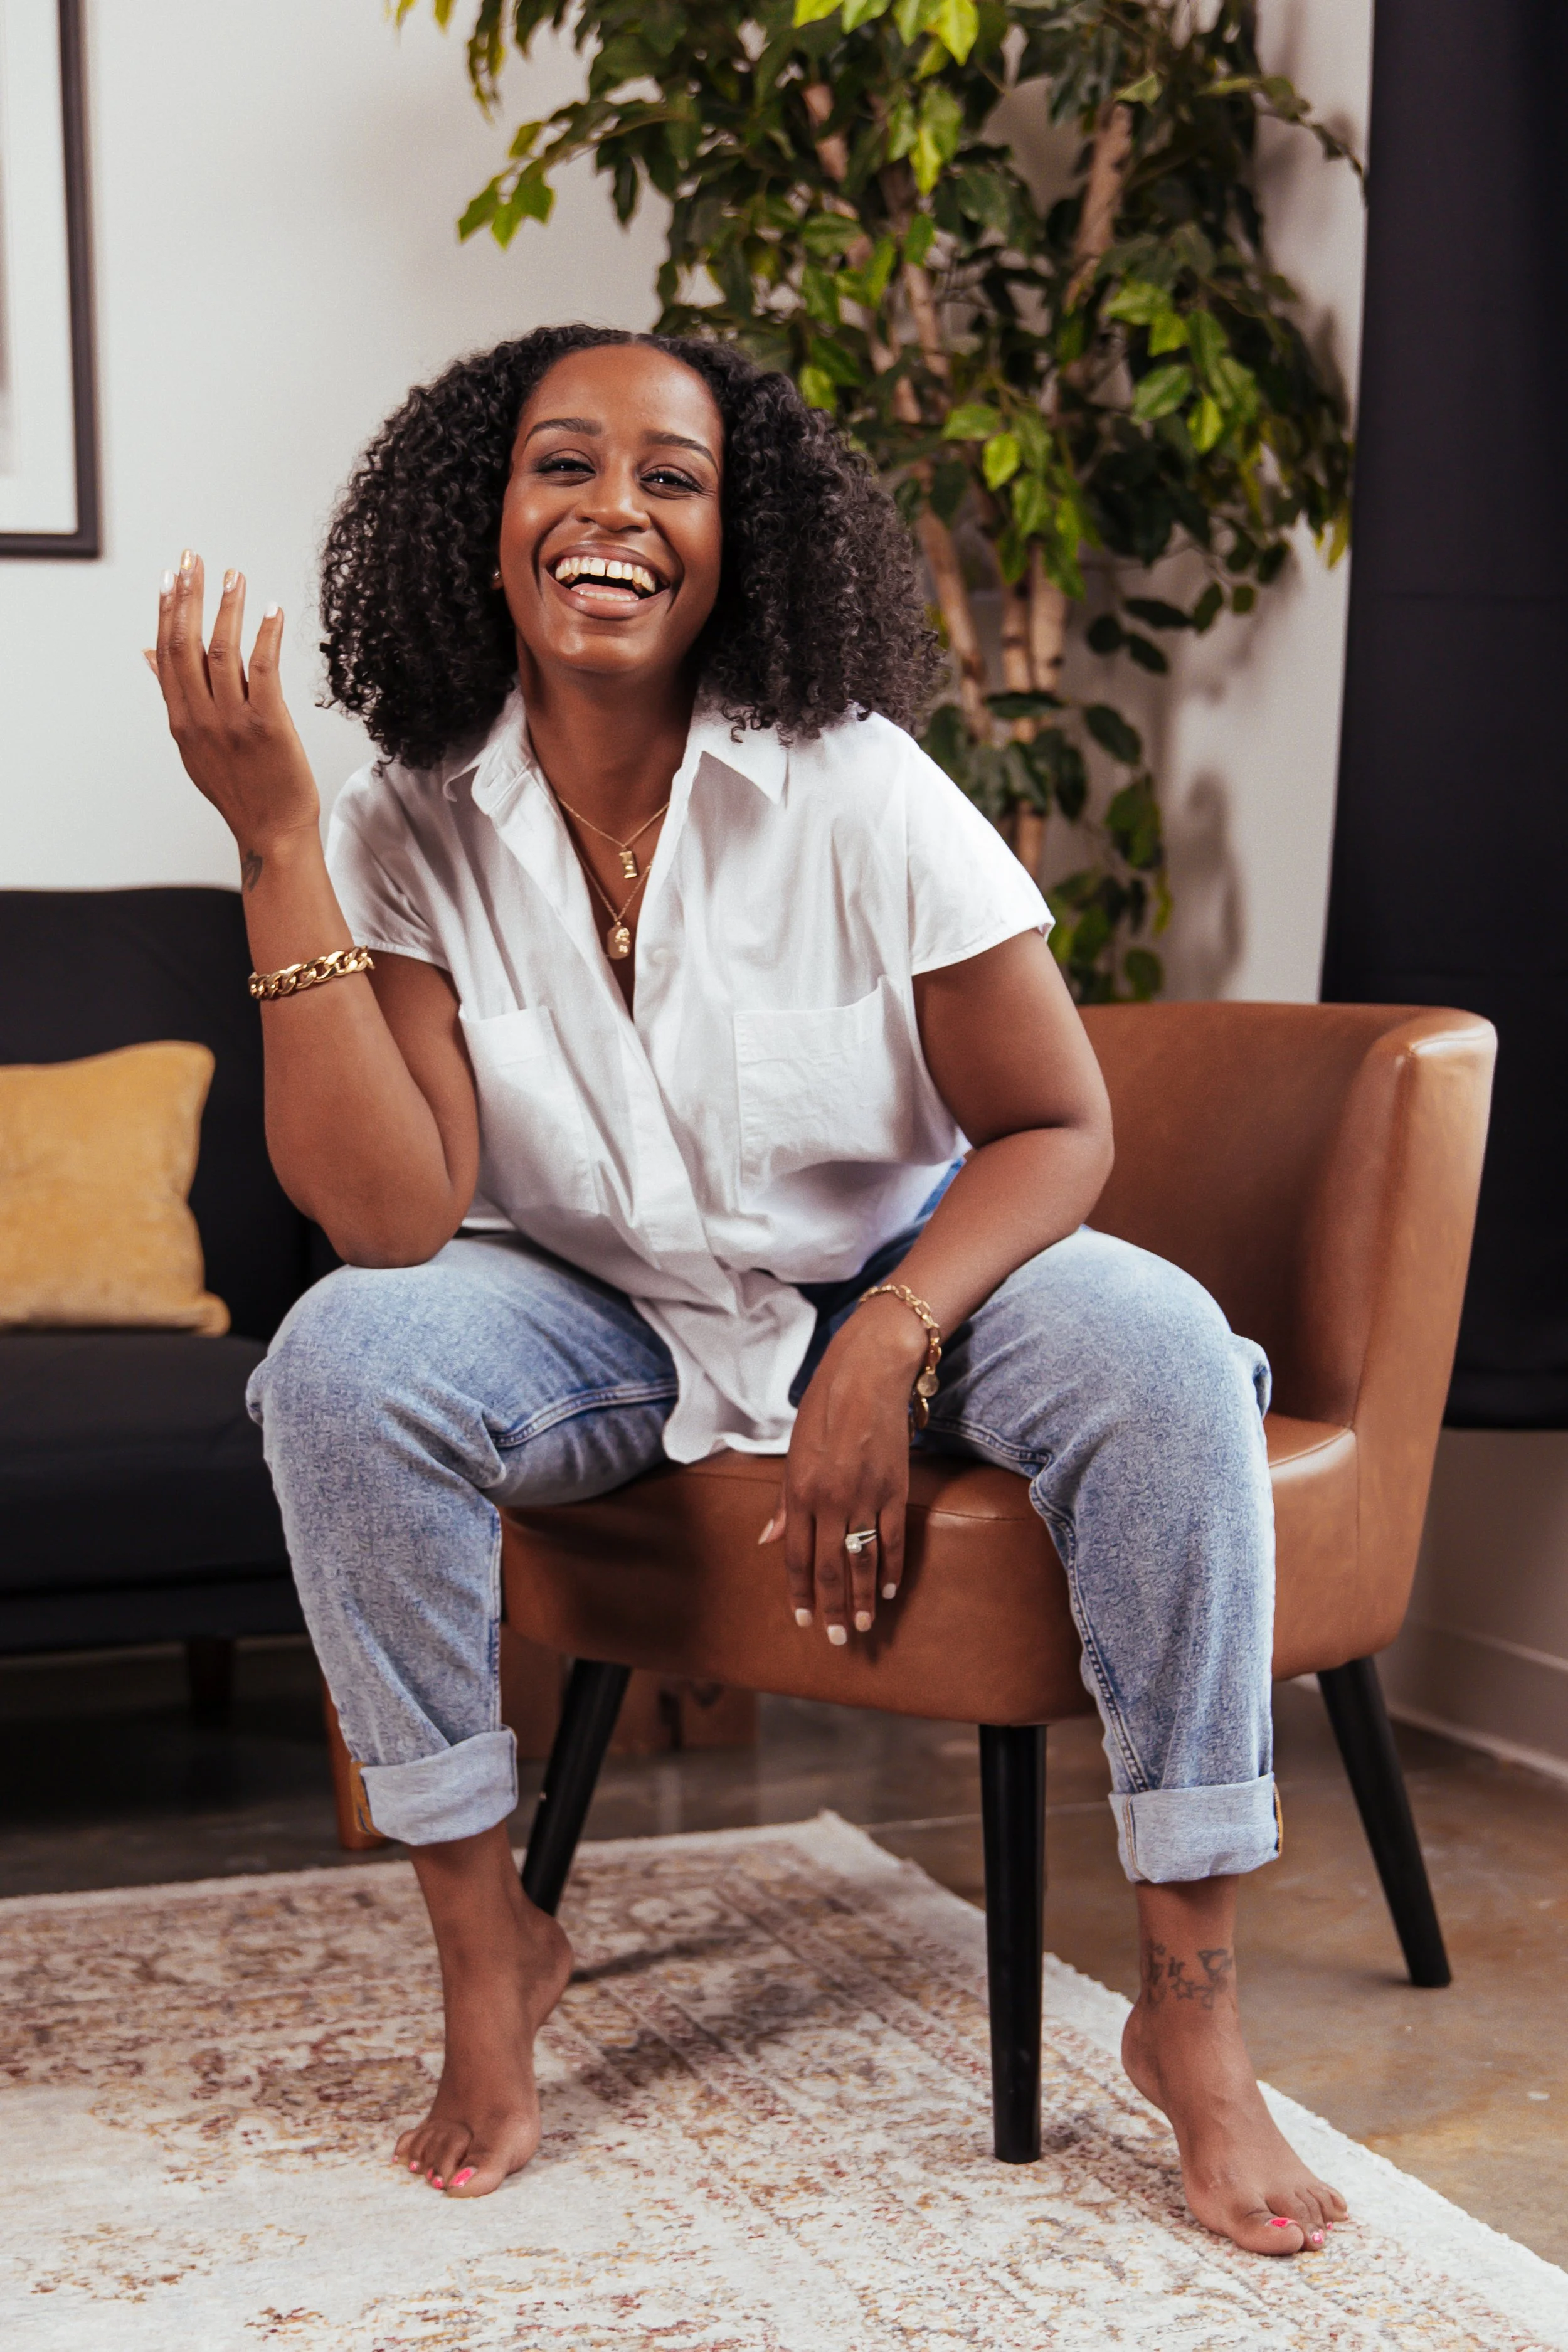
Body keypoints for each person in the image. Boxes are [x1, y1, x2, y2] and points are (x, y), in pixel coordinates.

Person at [150, 324, 1344, 2253]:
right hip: (587, 1302)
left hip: (899, 1254)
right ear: (485, 520)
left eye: (671, 476)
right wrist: (280, 848)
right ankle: (491, 1942)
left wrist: (892, 1330)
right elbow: (390, 1213)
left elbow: (1055, 1124)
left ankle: (1190, 2009)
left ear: (737, 538)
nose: (612, 506)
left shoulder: (857, 790)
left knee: (1162, 1348)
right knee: (336, 1359)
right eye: (562, 464)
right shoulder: (403, 820)